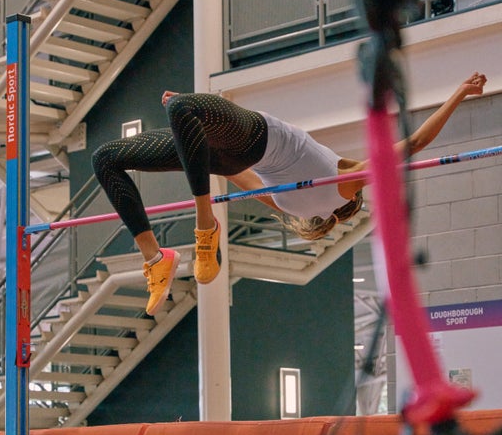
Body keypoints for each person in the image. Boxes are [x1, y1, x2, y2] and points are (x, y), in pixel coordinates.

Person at [92, 72, 487, 315]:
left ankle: (204, 225)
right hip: (230, 154)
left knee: (124, 144)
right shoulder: (288, 201)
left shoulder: (340, 186)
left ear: (352, 202)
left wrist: (461, 91)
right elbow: (235, 176)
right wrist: (190, 125)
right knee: (109, 156)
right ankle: (157, 259)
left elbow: (415, 141)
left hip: (255, 135)